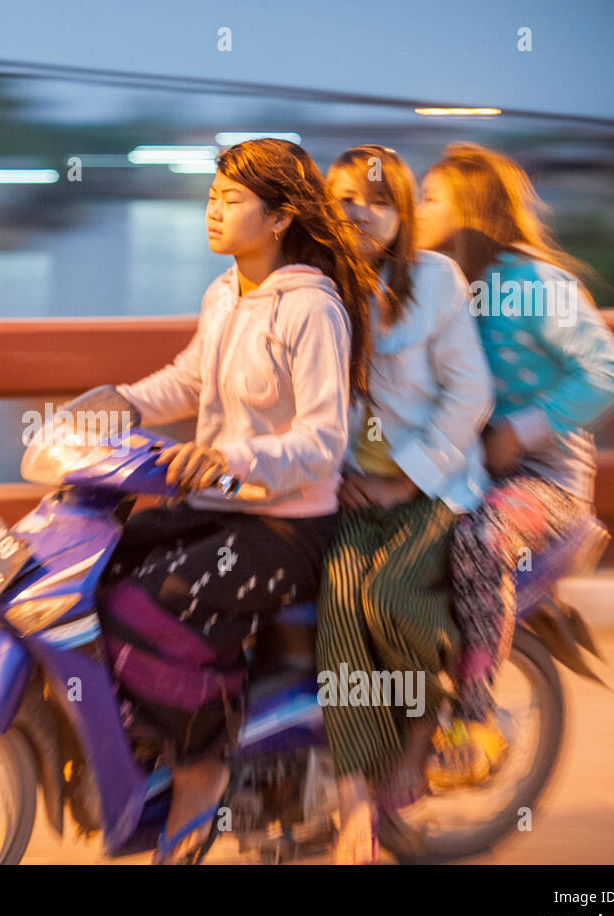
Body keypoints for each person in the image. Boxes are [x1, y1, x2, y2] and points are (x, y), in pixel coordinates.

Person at [103, 137, 375, 864]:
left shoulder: (312, 309)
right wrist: (119, 401)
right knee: (104, 565)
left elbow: (322, 442)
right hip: (226, 505)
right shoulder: (226, 293)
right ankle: (149, 730)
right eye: (211, 195)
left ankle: (203, 768)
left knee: (152, 602)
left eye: (231, 199)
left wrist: (230, 457)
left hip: (288, 524)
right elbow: (190, 380)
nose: (212, 210)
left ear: (282, 215)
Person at [415, 142, 614, 775]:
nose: (418, 208)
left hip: (544, 483)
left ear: (471, 210)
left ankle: (479, 719)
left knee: (482, 541)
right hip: (468, 473)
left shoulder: (534, 285)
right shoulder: (444, 284)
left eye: (432, 198)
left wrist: (523, 428)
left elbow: (611, 375)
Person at [314, 145, 494, 864]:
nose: (358, 210)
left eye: (376, 199)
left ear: (402, 214)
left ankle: (420, 734)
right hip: (356, 484)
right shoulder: (319, 285)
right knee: (336, 599)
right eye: (344, 196)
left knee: (388, 593)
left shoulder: (436, 280)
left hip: (438, 483)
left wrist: (407, 479)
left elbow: (470, 394)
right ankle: (355, 789)